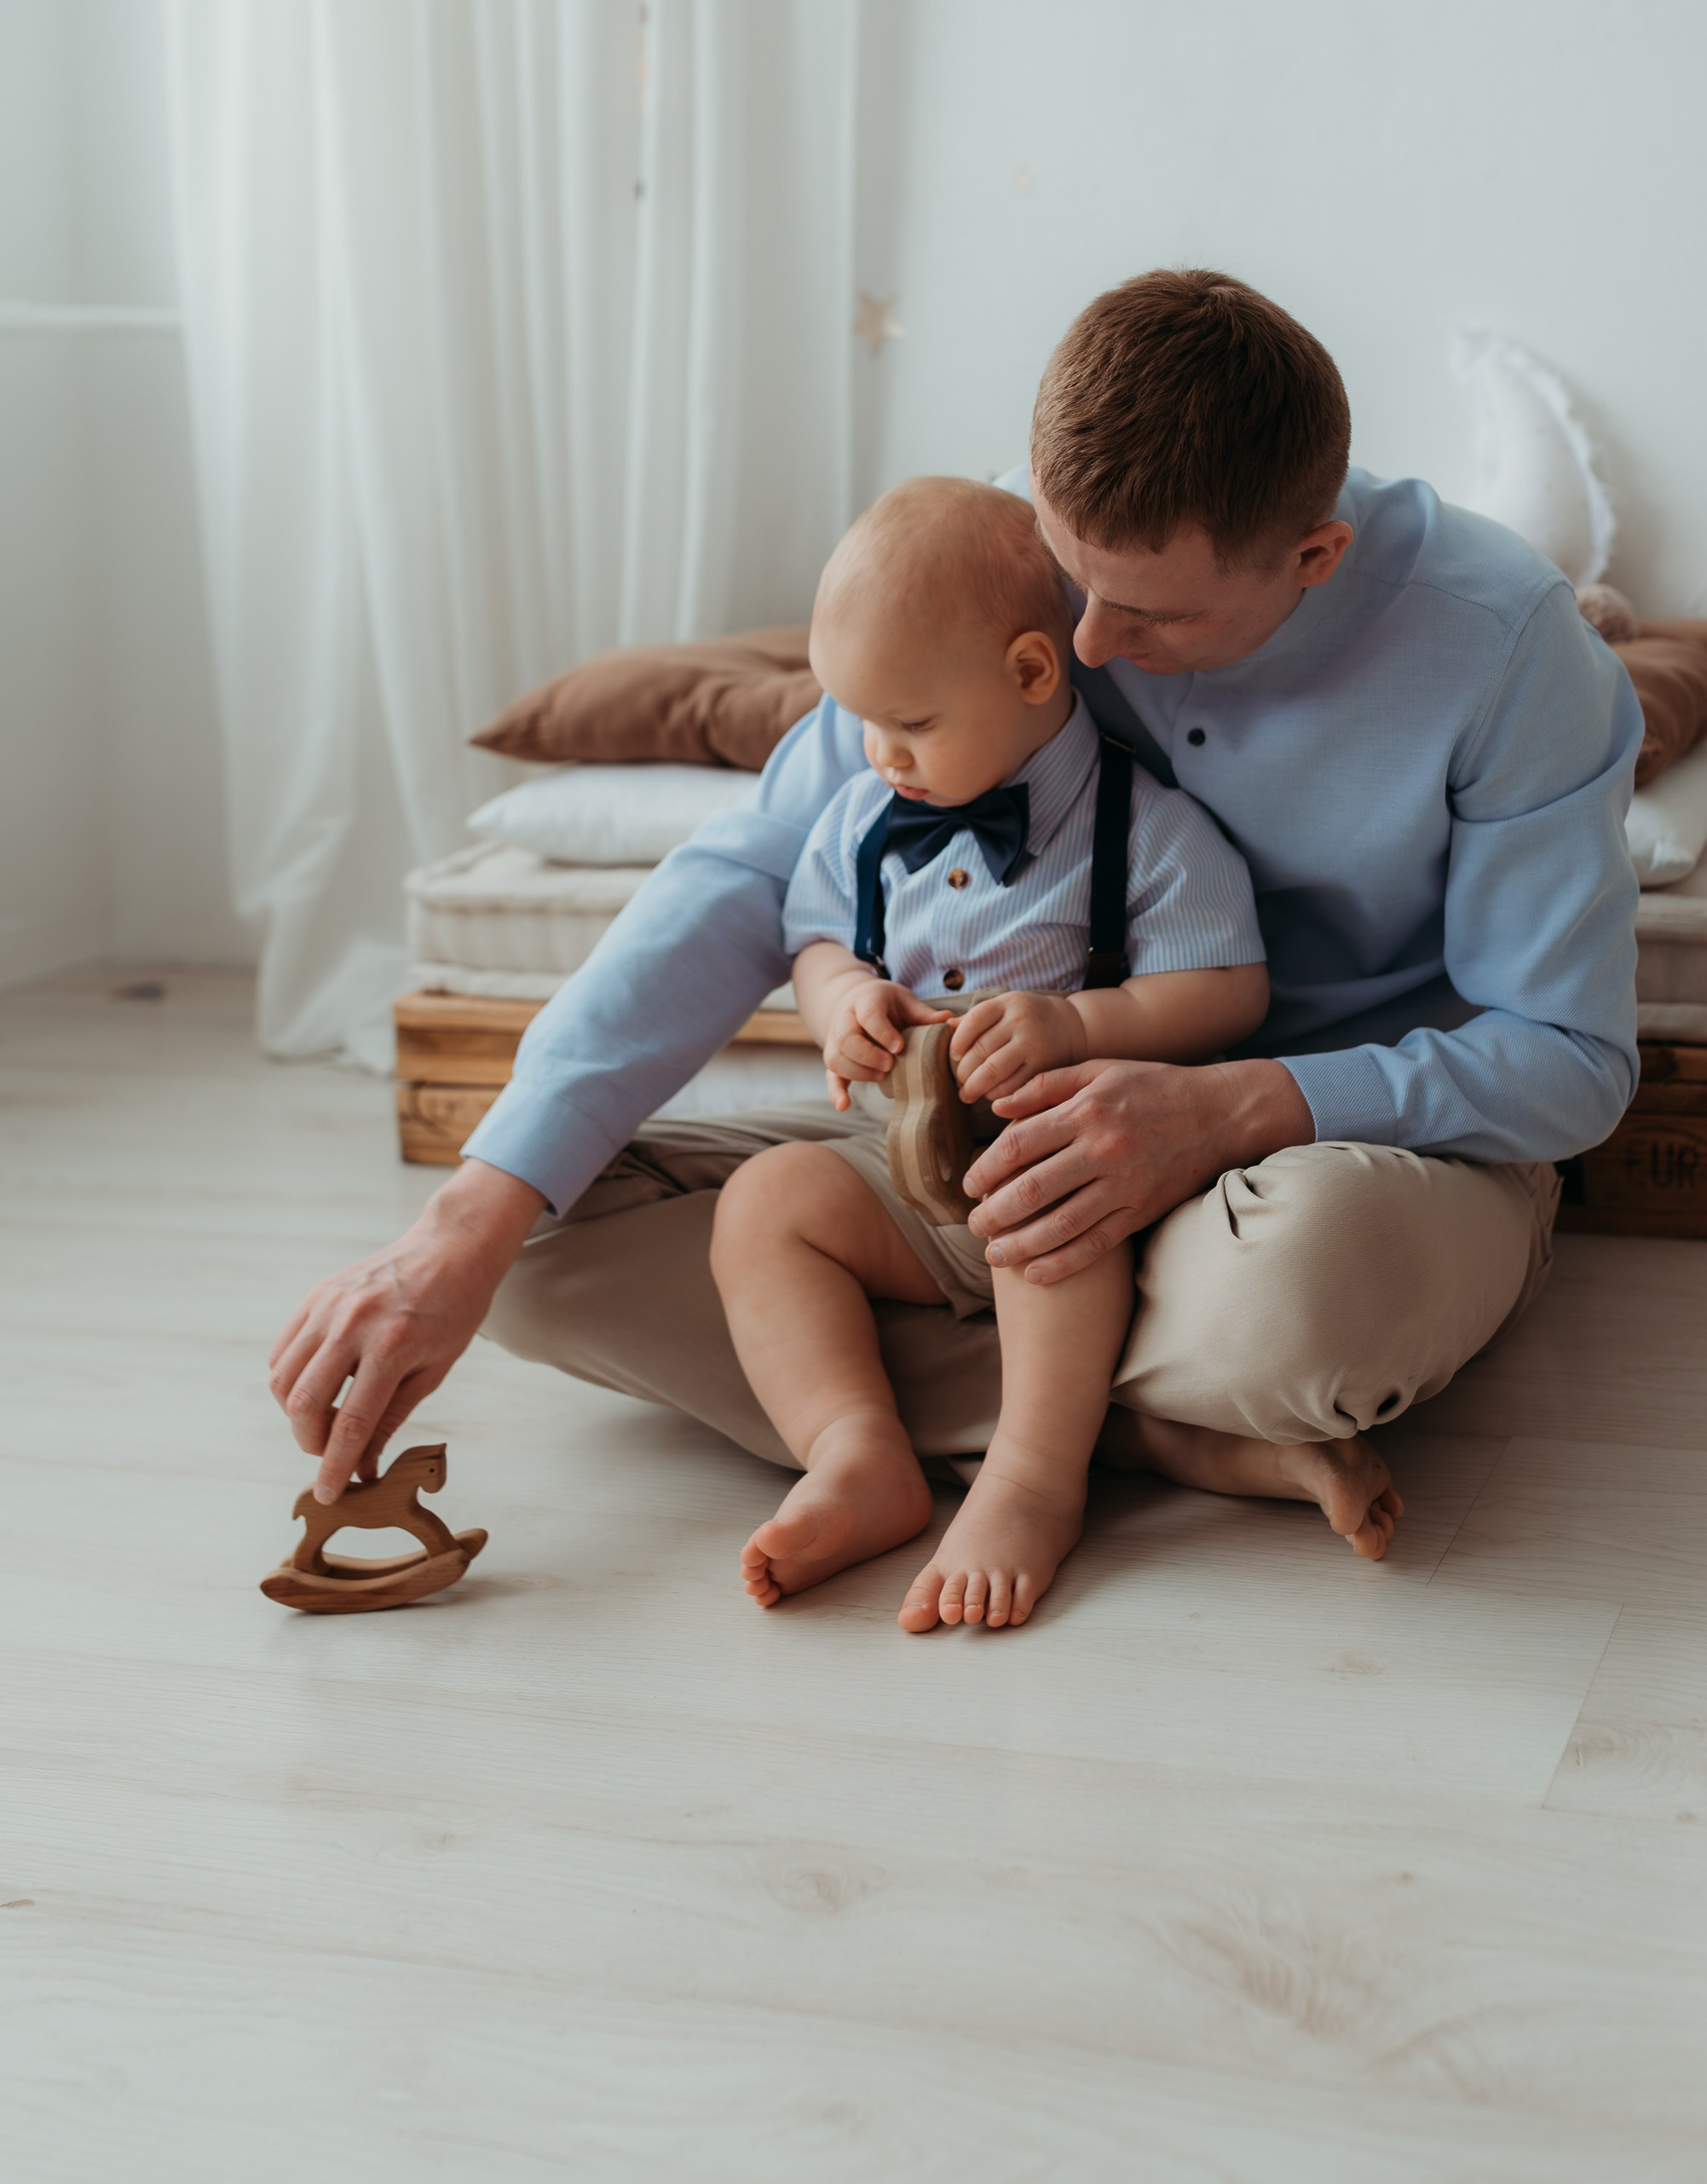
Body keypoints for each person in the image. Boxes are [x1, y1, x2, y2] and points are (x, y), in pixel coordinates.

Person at [268, 270, 1641, 1595]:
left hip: (1329, 1163)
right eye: (1067, 574)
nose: (1085, 646)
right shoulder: (1004, 559)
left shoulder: (1511, 654)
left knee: (1308, 1300)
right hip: (994, 1151)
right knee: (530, 1257)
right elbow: (755, 866)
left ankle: (989, 1409)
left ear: (1314, 557)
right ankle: (1135, 1429)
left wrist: (1230, 1108)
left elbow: (1567, 1064)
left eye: (1151, 613)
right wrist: (469, 1214)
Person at [719, 477, 1307, 1634]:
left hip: (1074, 1161)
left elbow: (1228, 987)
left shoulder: (1143, 828)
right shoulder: (860, 815)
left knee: (1052, 1212)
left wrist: (1079, 1025)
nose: (880, 753)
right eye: (861, 722)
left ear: (1034, 673)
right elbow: (816, 945)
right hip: (905, 1156)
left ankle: (1035, 1479)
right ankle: (856, 1450)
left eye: (913, 724)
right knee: (763, 1203)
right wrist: (844, 1002)